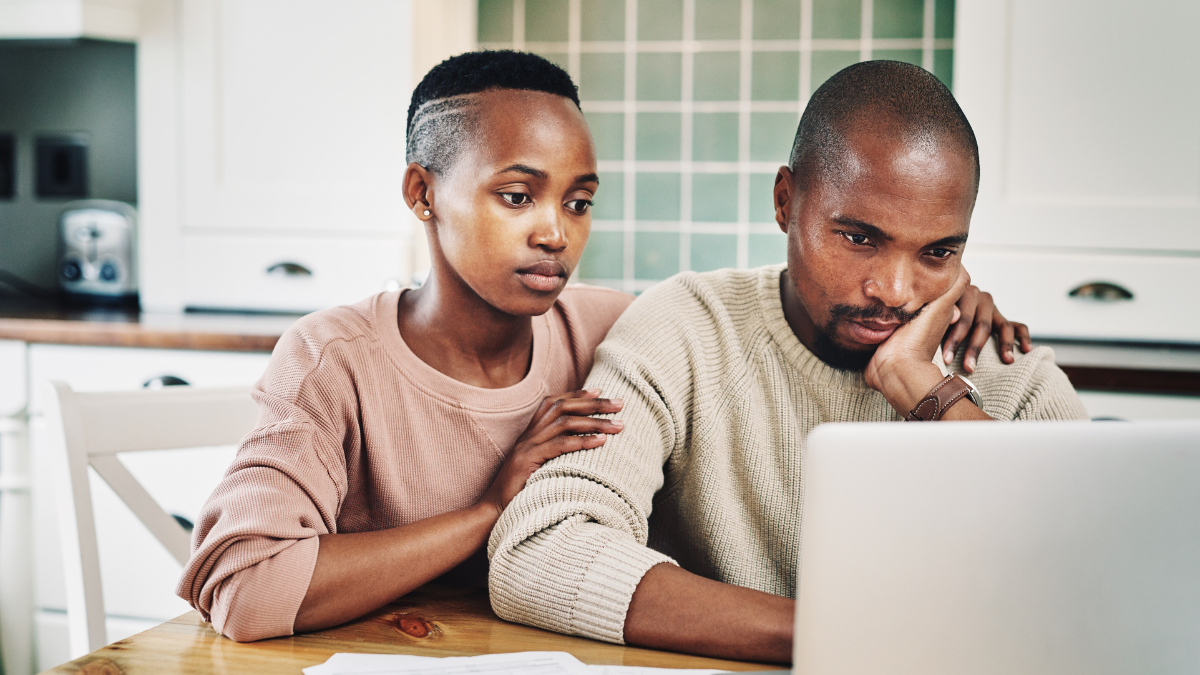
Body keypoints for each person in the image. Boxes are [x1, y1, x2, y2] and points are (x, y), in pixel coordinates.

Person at [177, 52, 1029, 642]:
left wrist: (938, 301)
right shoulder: (332, 359)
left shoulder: (608, 327)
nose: (554, 232)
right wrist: (485, 513)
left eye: (579, 202)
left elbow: (748, 335)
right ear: (423, 192)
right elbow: (246, 587)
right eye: (518, 195)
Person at [486, 60, 1089, 663]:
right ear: (785, 202)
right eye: (859, 238)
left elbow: (1102, 578)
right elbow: (542, 550)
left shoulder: (1013, 376)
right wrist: (839, 638)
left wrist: (928, 392)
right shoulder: (686, 328)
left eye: (937, 252)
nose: (895, 290)